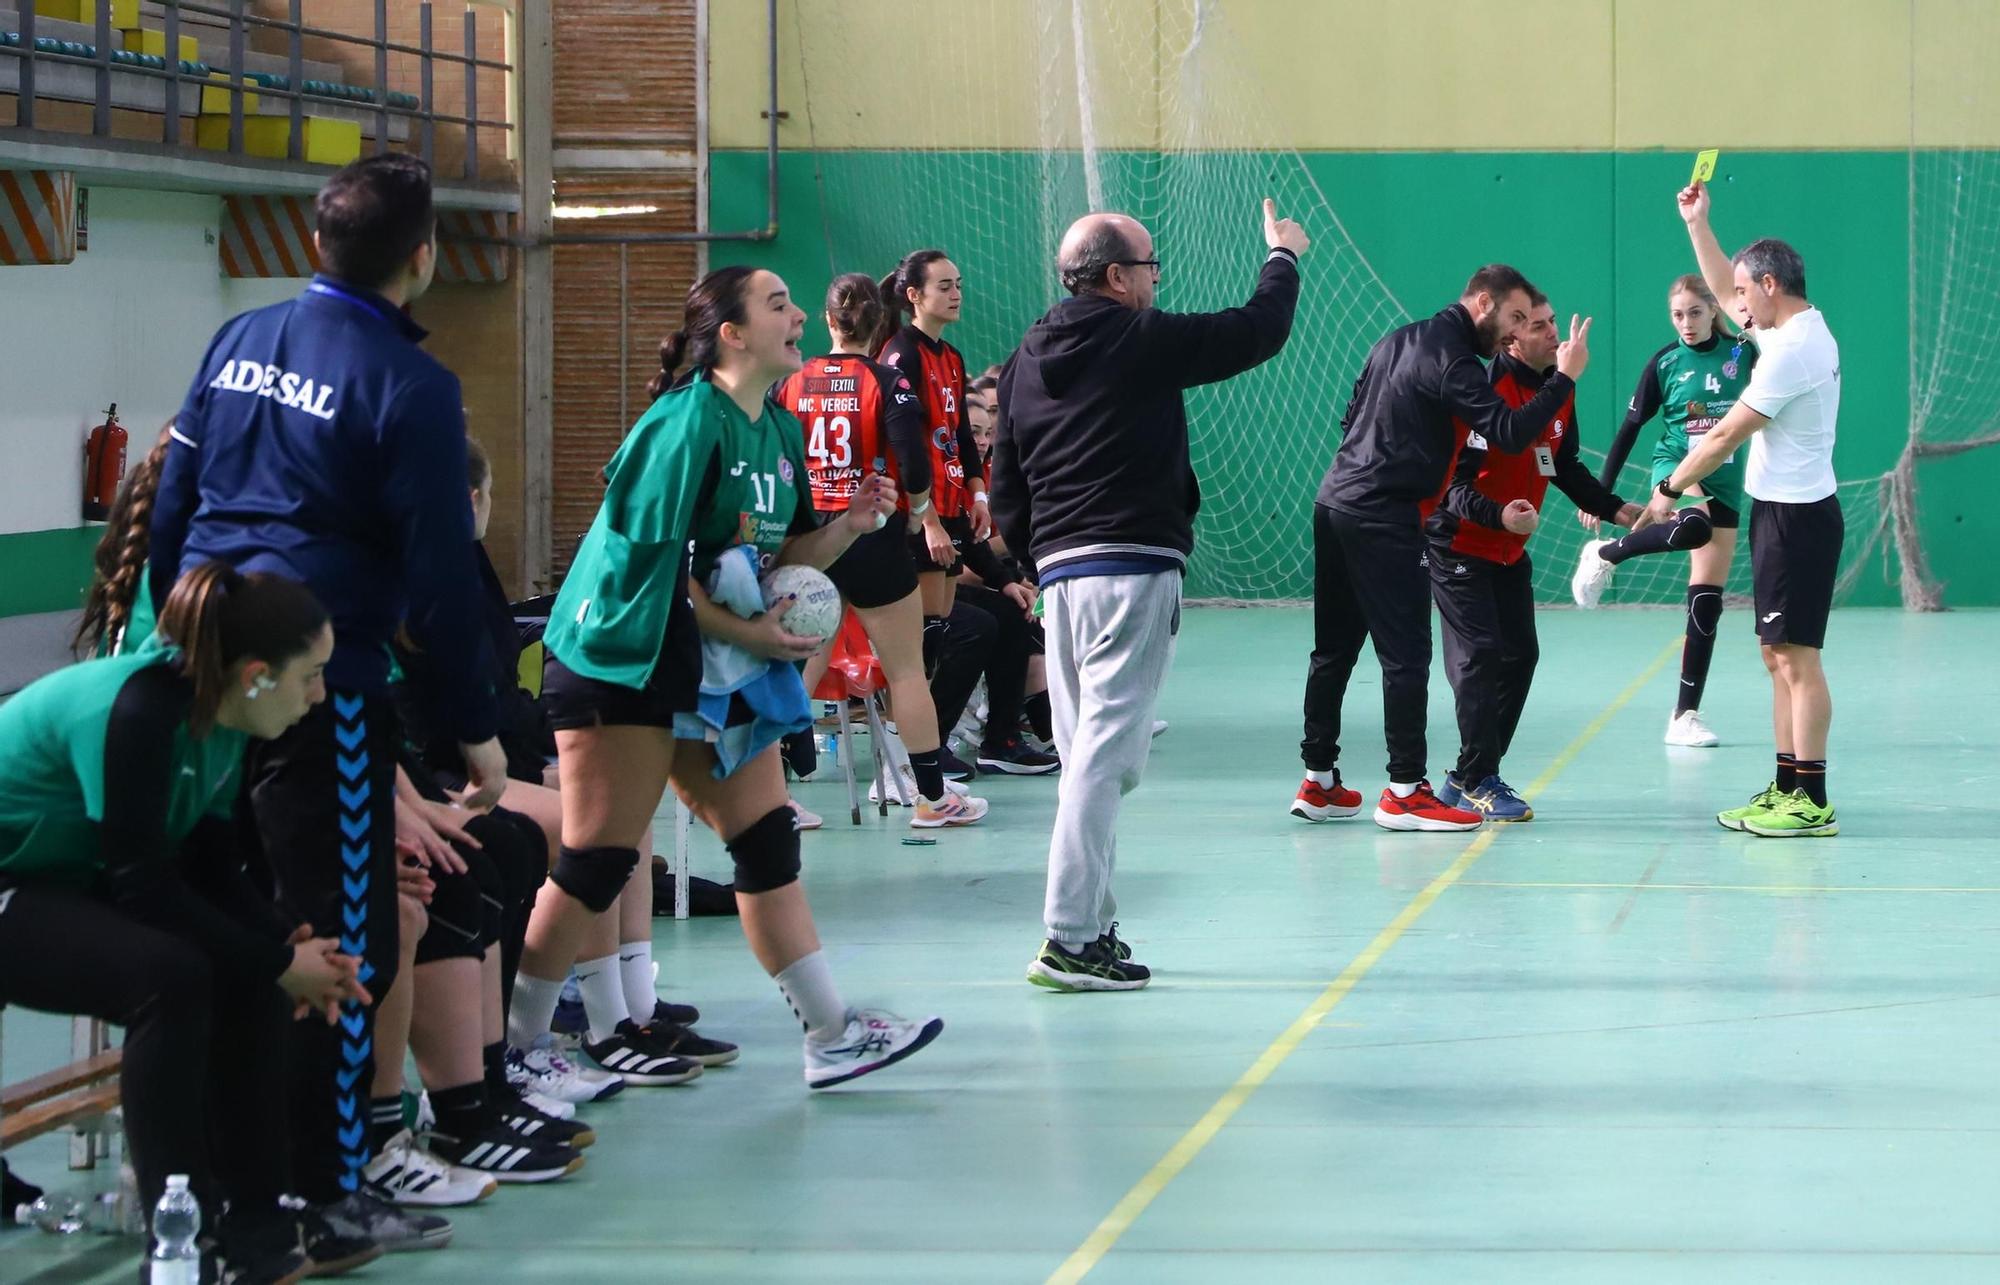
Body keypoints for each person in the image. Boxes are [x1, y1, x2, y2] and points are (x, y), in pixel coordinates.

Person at [148, 153, 498, 1248]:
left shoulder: (239, 338)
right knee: (347, 939)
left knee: (242, 917)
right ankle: (325, 1190)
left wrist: (176, 633)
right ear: (423, 259)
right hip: (318, 694)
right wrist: (473, 725)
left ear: (314, 244)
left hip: (203, 675)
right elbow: (439, 573)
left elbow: (172, 498)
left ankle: (241, 1174)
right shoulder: (410, 385)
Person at [518, 265, 944, 1089]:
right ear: (733, 335)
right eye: (778, 304)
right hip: (620, 657)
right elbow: (658, 574)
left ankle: (831, 1034)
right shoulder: (683, 425)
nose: (796, 317)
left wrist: (850, 525)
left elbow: (780, 556)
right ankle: (516, 1047)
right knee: (597, 860)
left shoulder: (779, 432)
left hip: (705, 663)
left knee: (767, 840)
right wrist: (751, 630)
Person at [0, 563, 381, 1282]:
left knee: (244, 971)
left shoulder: (223, 718)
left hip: (54, 880)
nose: (321, 695)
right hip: (15, 882)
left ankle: (259, 1221)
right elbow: (145, 887)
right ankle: (181, 1243)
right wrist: (273, 959)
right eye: (312, 675)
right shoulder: (139, 712)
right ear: (258, 673)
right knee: (170, 978)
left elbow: (211, 866)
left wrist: (285, 944)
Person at [992, 198, 1308, 992]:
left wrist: (1034, 555)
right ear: (1114, 278)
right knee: (1104, 758)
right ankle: (1068, 935)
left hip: (1061, 576)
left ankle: (1091, 927)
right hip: (1129, 567)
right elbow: (1253, 331)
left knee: (1083, 757)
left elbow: (1006, 470)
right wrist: (1284, 258)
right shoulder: (1134, 335)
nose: (1157, 282)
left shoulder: (1029, 352)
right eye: (1149, 269)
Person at [1297, 264, 1592, 831]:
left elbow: (1351, 419)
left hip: (1334, 502)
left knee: (1332, 650)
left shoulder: (1395, 340)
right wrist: (1565, 378)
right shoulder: (1456, 361)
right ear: (1483, 303)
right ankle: (1405, 791)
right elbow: (1507, 432)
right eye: (1513, 319)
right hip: (1386, 517)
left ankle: (1320, 780)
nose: (1513, 334)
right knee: (1405, 658)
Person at [1640, 180, 1843, 838]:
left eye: (1745, 292)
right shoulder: (1791, 328)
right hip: (1777, 516)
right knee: (1776, 655)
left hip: (1799, 521)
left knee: (1799, 660)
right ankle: (1787, 784)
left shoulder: (1790, 351)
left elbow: (1726, 433)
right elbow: (1727, 291)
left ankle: (1810, 797)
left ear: (1771, 286)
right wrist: (1699, 224)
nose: (1735, 304)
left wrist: (1668, 488)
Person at [1425, 296, 1643, 820]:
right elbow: (1449, 487)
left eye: (1551, 324)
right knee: (1478, 657)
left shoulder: (1556, 397)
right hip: (1459, 545)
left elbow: (1558, 463)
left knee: (1519, 656)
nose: (1553, 336)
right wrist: (1498, 515)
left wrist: (1617, 510)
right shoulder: (1484, 392)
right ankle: (1480, 777)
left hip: (1507, 552)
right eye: (1539, 327)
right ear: (1510, 338)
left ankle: (1466, 774)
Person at [782, 274, 989, 824]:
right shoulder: (887, 381)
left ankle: (773, 801)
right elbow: (914, 464)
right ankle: (931, 798)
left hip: (809, 539)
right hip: (873, 534)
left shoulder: (790, 382)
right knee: (905, 672)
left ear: (828, 320)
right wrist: (920, 513)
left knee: (794, 671)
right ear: (880, 327)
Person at [1571, 273, 1757, 749]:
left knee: (1707, 600)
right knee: (1694, 526)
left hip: (1727, 478)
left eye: (1695, 312)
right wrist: (1601, 494)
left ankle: (1684, 716)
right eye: (1678, 315)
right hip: (1676, 464)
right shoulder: (1665, 362)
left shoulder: (1741, 352)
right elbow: (1629, 430)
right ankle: (1608, 554)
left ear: (1714, 309)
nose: (1687, 323)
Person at [875, 249, 990, 778]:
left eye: (959, 283)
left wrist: (978, 497)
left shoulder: (952, 356)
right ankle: (907, 758)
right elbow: (901, 445)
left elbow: (962, 437)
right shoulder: (901, 354)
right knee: (920, 643)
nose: (956, 292)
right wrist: (925, 519)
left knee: (939, 633)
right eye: (944, 285)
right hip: (915, 513)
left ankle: (928, 747)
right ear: (914, 295)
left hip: (948, 507)